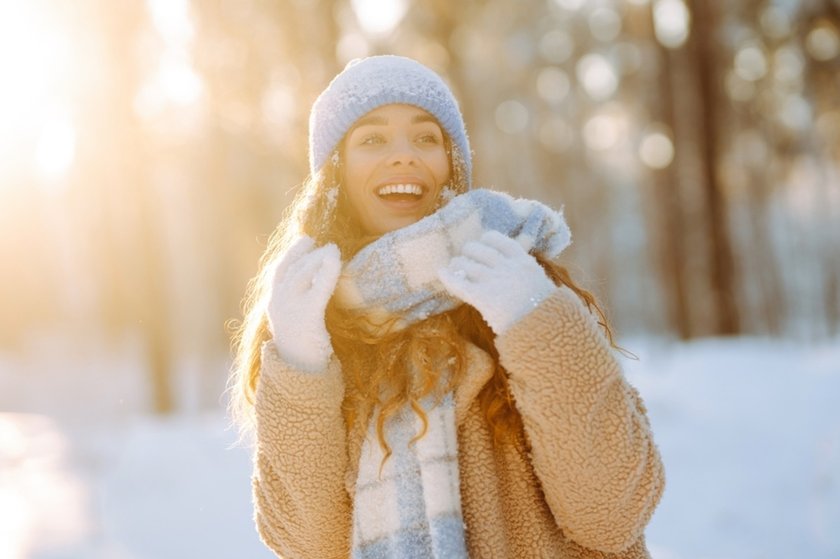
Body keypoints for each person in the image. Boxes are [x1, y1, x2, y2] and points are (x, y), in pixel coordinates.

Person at [229, 55, 664, 559]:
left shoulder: (520, 274)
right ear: (336, 173)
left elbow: (613, 515)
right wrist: (300, 363)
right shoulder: (309, 316)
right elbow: (310, 545)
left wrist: (536, 323)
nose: (403, 156)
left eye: (425, 137)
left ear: (450, 164)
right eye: (372, 140)